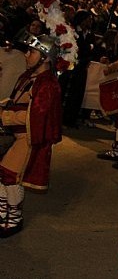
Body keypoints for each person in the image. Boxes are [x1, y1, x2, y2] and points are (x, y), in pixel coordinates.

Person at [0, 31, 62, 237]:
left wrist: (5, 117)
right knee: (3, 175)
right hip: (17, 135)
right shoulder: (29, 76)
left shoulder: (48, 84)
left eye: (32, 51)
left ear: (45, 58)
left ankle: (14, 218)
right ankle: (3, 213)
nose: (27, 55)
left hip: (28, 138)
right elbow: (16, 99)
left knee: (10, 175)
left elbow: (35, 117)